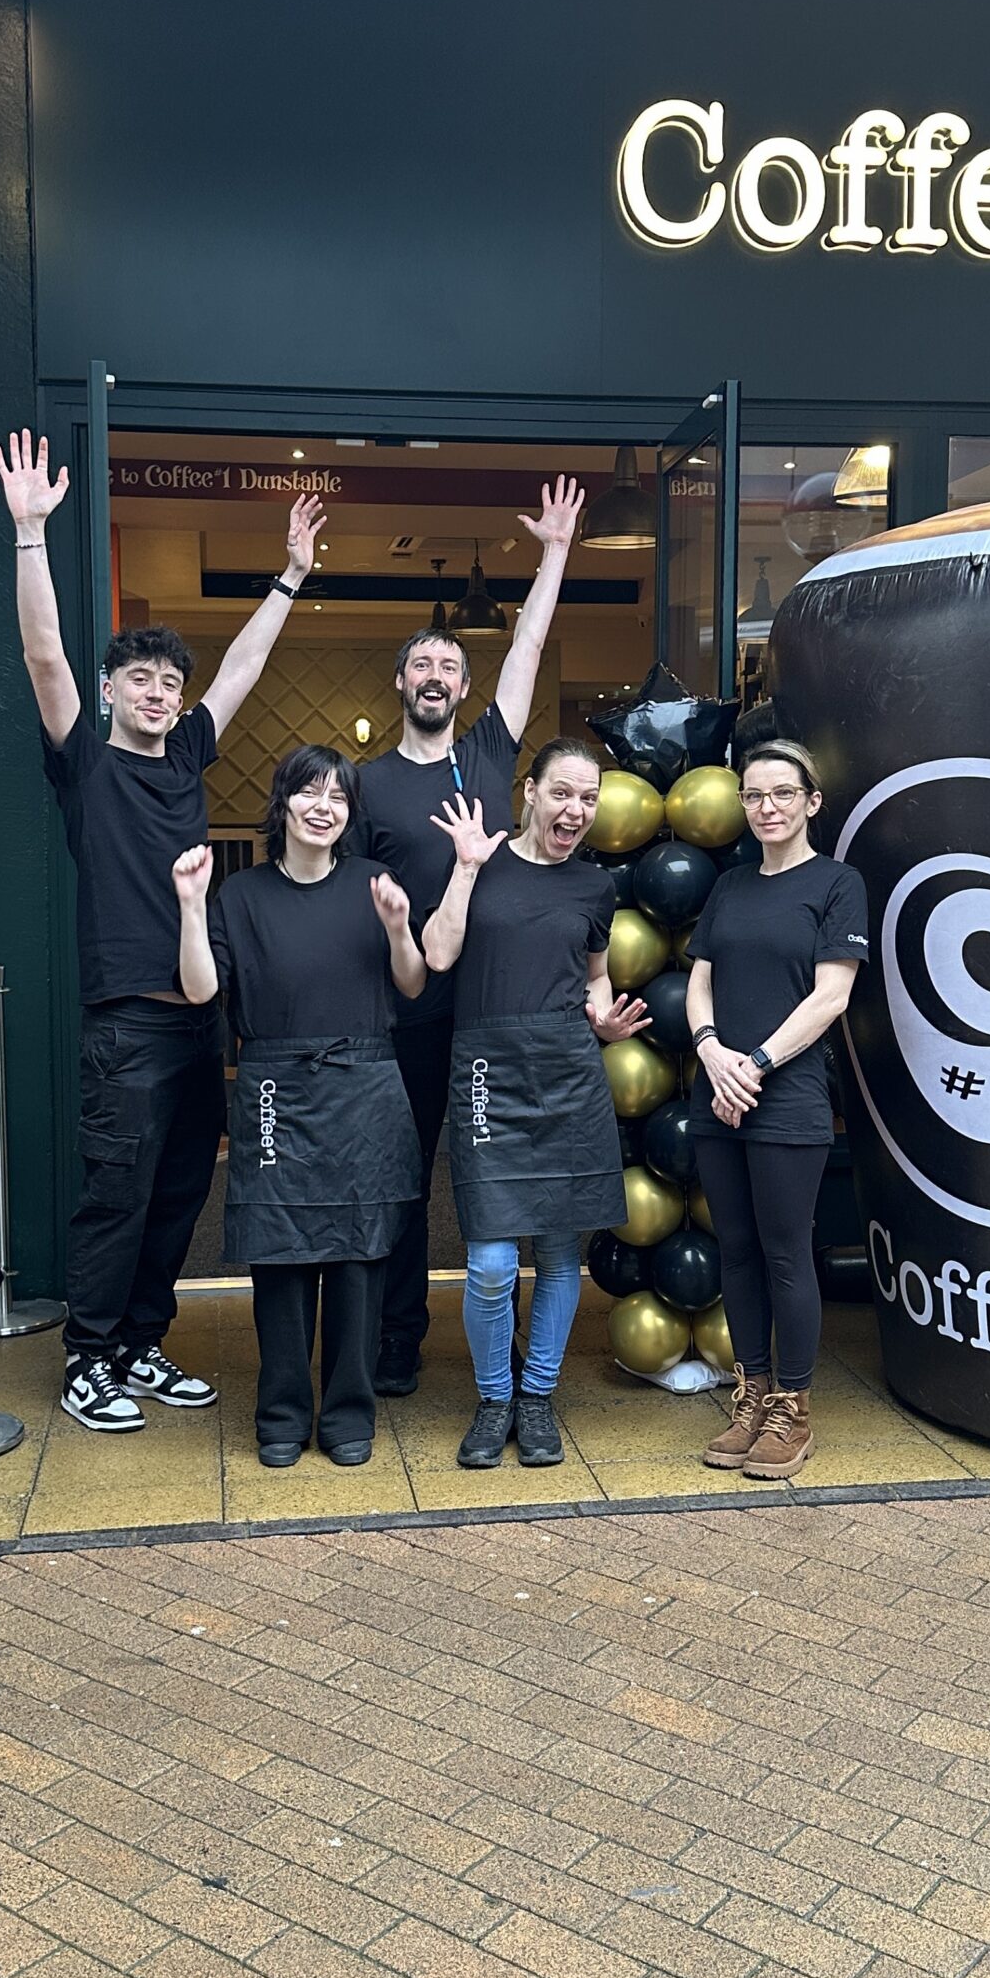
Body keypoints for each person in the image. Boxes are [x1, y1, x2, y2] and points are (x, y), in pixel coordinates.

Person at [0, 428, 326, 1435]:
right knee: (118, 1197)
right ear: (110, 691)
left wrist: (290, 576)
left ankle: (140, 1341)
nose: (158, 693)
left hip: (197, 1022)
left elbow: (244, 667)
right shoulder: (87, 762)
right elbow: (43, 652)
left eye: (169, 684)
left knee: (181, 1193)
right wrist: (29, 532)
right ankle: (89, 1357)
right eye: (139, 680)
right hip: (126, 1027)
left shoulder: (185, 756)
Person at [355, 477, 585, 1398]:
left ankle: (521, 1355)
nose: (435, 676)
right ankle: (397, 1339)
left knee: (510, 1179)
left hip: (500, 1012)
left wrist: (555, 552)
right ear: (400, 681)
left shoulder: (489, 752)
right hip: (408, 1012)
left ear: (462, 686)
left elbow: (526, 642)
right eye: (422, 664)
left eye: (449, 666)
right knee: (405, 1180)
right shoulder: (364, 784)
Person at [173, 748, 424, 1466]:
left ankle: (348, 1415)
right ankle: (281, 1414)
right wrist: (191, 906)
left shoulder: (375, 883)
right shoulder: (241, 895)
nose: (323, 808)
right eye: (309, 793)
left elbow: (411, 984)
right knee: (278, 1254)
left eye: (338, 797)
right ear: (281, 804)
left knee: (359, 1258)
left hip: (364, 1084)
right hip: (274, 1086)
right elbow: (199, 990)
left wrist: (399, 927)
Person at [420, 740, 651, 1470]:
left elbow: (594, 975)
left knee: (556, 1252)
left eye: (588, 798)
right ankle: (494, 1399)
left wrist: (603, 1018)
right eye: (562, 793)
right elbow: (437, 954)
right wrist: (464, 868)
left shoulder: (594, 887)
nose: (575, 811)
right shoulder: (480, 864)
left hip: (567, 1071)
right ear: (530, 792)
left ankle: (537, 1396)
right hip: (486, 1071)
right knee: (490, 1261)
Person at [683, 738, 868, 1477]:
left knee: (785, 1252)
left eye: (782, 793)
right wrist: (710, 1051)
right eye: (754, 795)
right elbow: (700, 979)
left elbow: (831, 996)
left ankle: (793, 1407)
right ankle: (751, 1395)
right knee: (735, 1250)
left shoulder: (837, 883)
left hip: (785, 1096)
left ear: (811, 801)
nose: (767, 807)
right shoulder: (729, 886)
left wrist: (754, 1064)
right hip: (717, 1090)